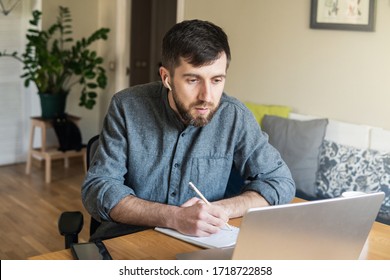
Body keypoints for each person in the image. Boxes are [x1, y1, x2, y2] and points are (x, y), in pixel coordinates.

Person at [82, 19, 295, 241]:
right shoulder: (126, 106)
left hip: (201, 244)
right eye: (193, 80)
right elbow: (98, 189)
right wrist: (173, 217)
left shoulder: (234, 116)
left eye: (216, 80)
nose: (207, 96)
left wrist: (220, 210)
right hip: (127, 240)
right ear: (166, 78)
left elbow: (279, 181)